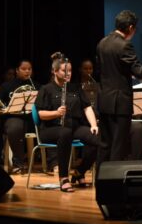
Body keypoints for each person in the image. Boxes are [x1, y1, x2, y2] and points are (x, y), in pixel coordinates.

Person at [96, 10, 142, 162]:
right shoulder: (125, 45)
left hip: (104, 100)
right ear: (130, 27)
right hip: (119, 103)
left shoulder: (102, 43)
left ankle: (100, 183)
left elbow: (109, 69)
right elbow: (139, 72)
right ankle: (114, 184)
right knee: (118, 145)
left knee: (105, 145)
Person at [34, 53, 100, 192]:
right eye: (64, 71)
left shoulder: (76, 88)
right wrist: (56, 113)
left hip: (73, 126)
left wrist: (93, 125)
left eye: (69, 71)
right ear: (54, 71)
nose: (68, 73)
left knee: (97, 139)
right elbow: (40, 114)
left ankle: (80, 171)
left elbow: (87, 108)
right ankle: (63, 177)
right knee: (65, 133)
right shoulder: (46, 89)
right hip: (51, 128)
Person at [0, 59, 38, 174]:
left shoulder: (36, 85)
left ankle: (53, 162)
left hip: (31, 118)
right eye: (24, 69)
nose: (27, 71)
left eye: (29, 69)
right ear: (17, 70)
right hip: (13, 117)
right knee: (15, 127)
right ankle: (18, 162)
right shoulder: (7, 86)